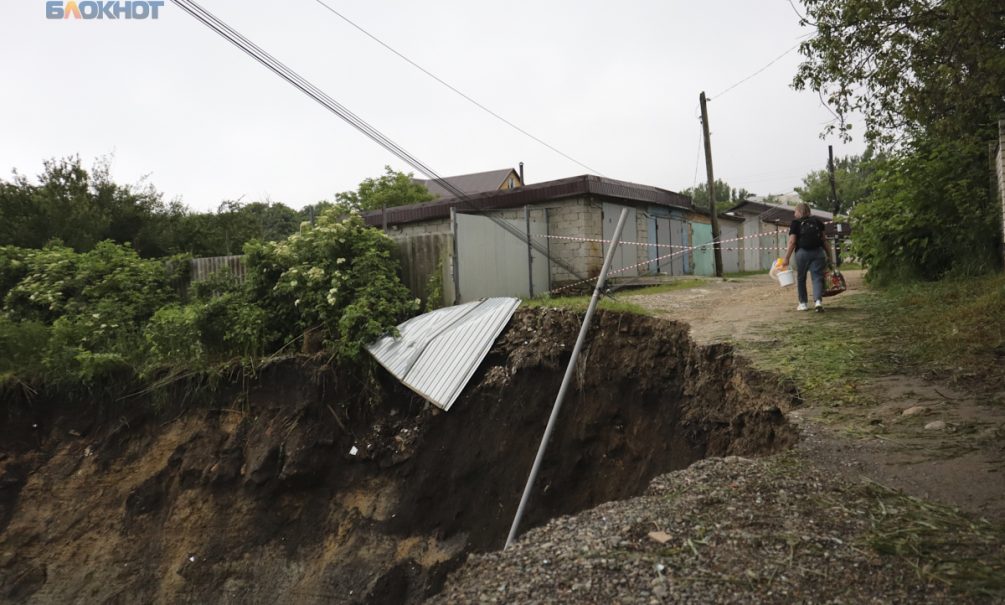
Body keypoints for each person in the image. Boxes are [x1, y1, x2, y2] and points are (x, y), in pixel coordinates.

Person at [781, 202, 833, 312]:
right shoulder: (817, 222)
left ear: (799, 211)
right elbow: (824, 240)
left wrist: (786, 258)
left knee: (801, 278)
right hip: (818, 253)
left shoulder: (795, 223)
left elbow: (792, 242)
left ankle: (803, 303)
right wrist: (830, 256)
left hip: (802, 253)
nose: (794, 214)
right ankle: (818, 302)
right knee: (817, 277)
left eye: (795, 211)